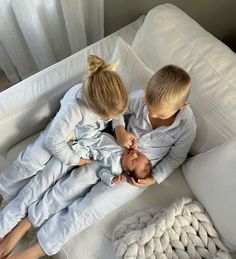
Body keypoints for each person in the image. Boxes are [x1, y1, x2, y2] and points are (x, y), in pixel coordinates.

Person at [3, 64, 197, 259]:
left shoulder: (187, 127)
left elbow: (175, 158)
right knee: (69, 186)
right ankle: (24, 224)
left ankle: (36, 250)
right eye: (149, 107)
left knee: (91, 207)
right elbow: (119, 111)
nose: (152, 114)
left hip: (138, 172)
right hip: (113, 147)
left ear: (182, 106)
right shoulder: (140, 98)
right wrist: (120, 131)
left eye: (160, 114)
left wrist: (154, 178)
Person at [0, 133, 151, 258]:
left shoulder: (117, 169)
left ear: (127, 171)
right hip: (74, 153)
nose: (134, 154)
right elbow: (93, 136)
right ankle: (7, 226)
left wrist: (111, 179)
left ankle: (28, 222)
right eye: (138, 154)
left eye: (134, 161)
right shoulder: (117, 143)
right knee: (39, 185)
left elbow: (103, 173)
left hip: (80, 176)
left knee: (58, 197)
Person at [0, 55, 128, 203]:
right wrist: (75, 160)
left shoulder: (112, 96)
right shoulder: (74, 108)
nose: (111, 119)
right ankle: (3, 188)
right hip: (68, 132)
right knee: (34, 159)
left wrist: (120, 128)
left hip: (88, 134)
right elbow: (53, 141)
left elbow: (118, 112)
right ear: (95, 109)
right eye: (108, 117)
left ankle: (30, 197)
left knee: (57, 177)